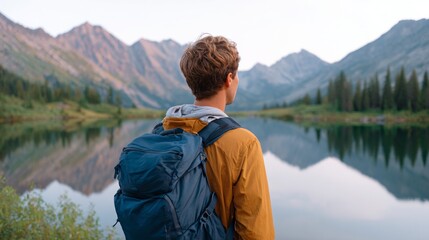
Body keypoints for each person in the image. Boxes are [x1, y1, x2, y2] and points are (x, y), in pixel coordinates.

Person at [162, 34, 275, 239]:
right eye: (236, 75)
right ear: (229, 79)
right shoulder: (243, 143)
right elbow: (256, 230)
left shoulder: (163, 131)